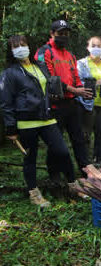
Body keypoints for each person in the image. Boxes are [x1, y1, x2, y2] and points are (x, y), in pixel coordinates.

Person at [0, 35, 75, 207]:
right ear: (11, 52)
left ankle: (73, 185)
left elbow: (47, 88)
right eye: (15, 46)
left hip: (47, 118)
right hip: (26, 123)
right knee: (30, 158)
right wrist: (11, 128)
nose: (20, 48)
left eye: (23, 44)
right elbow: (5, 102)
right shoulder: (9, 73)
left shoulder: (39, 66)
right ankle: (34, 194)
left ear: (28, 46)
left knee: (62, 152)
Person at [35, 20, 92, 178]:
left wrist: (82, 90)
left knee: (79, 139)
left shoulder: (70, 55)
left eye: (66, 34)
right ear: (52, 34)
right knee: (56, 141)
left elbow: (75, 76)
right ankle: (54, 175)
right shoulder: (44, 52)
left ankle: (86, 171)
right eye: (60, 33)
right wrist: (74, 89)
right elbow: (49, 78)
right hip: (54, 104)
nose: (64, 37)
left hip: (72, 103)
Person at [77, 36, 101, 167]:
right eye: (93, 45)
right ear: (88, 47)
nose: (96, 48)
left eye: (99, 45)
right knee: (86, 134)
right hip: (87, 103)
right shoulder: (82, 64)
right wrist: (95, 84)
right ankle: (86, 164)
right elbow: (78, 83)